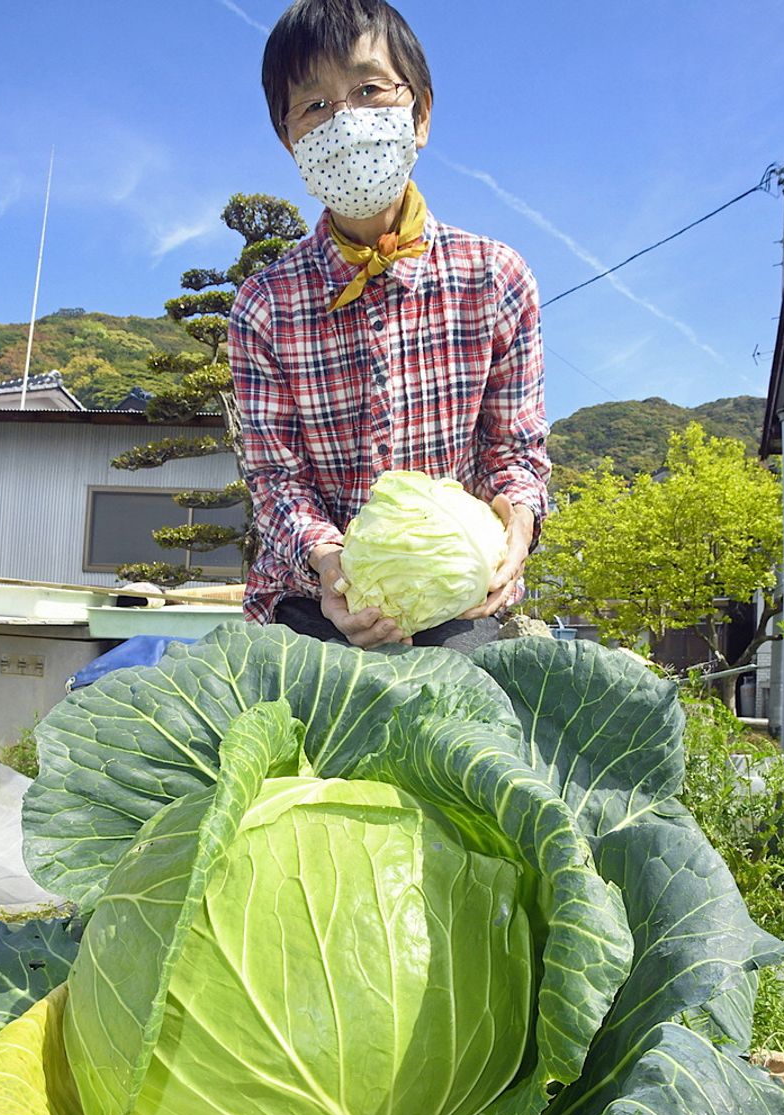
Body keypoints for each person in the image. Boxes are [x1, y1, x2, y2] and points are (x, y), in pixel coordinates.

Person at [227, 0, 549, 652]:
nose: (345, 120)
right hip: (309, 604)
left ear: (420, 113)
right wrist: (330, 566)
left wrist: (516, 524)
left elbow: (513, 456)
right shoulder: (265, 305)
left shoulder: (496, 279)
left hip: (455, 604)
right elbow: (277, 483)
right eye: (314, 106)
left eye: (369, 89)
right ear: (290, 141)